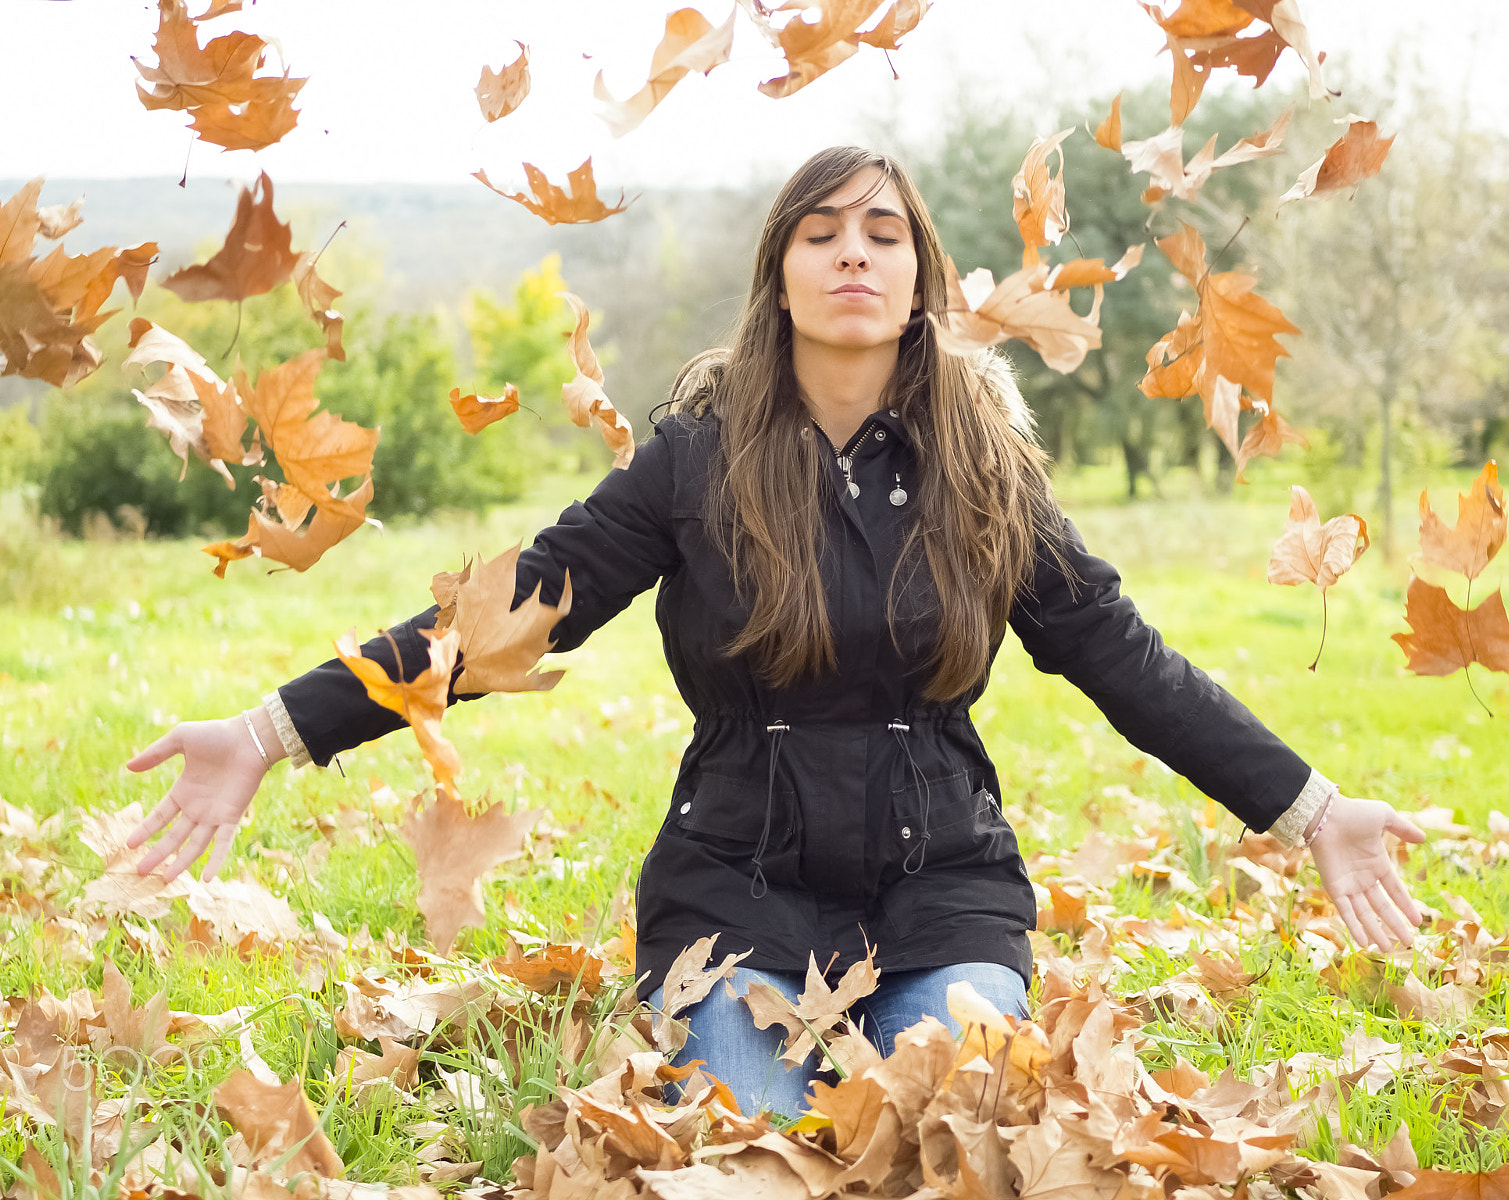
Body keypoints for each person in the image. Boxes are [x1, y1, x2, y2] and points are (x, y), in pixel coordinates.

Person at [122, 146, 1426, 1119]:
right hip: (733, 887)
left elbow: (1120, 655)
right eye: (819, 234)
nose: (853, 253)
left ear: (918, 274)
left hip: (944, 895)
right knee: (747, 1144)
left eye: (881, 232)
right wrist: (270, 728)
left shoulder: (984, 468)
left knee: (949, 1119)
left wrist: (1311, 808)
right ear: (780, 276)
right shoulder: (691, 465)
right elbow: (495, 623)